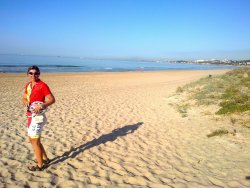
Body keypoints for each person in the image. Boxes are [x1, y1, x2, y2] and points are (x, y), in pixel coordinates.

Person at [22, 65, 55, 171]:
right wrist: (25, 101)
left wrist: (41, 105)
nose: (33, 75)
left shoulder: (42, 85)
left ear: (39, 74)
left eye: (36, 73)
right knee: (33, 140)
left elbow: (52, 99)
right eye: (31, 73)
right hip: (30, 116)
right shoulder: (28, 85)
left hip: (38, 117)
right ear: (27, 74)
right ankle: (45, 159)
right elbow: (24, 98)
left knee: (35, 141)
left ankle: (40, 166)